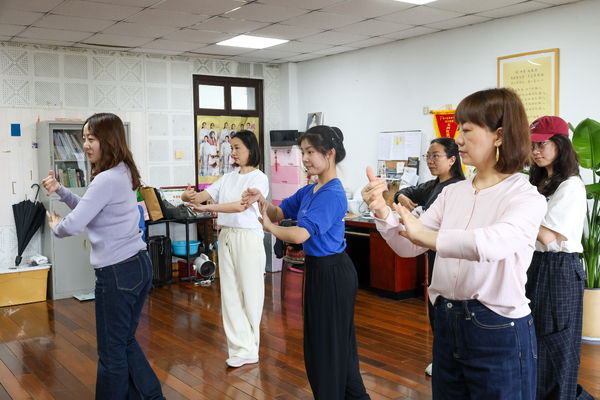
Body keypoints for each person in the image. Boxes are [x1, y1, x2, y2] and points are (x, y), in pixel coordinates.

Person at [362, 88, 547, 399]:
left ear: (499, 135)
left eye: (467, 130)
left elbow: (489, 244)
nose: (458, 139)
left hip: (498, 327)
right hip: (446, 320)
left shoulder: (525, 195)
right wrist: (382, 210)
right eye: (458, 129)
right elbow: (410, 245)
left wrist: (423, 235)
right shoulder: (452, 193)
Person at [42, 113, 165, 400]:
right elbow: (91, 207)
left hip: (117, 274)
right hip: (139, 265)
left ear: (108, 141)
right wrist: (61, 190)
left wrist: (56, 227)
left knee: (111, 353)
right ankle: (153, 396)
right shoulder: (123, 171)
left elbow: (75, 224)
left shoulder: (105, 179)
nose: (86, 145)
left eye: (92, 139)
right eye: (84, 138)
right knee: (125, 342)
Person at [243, 125, 371, 400]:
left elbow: (300, 234)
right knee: (334, 348)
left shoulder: (333, 193)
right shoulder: (311, 190)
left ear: (330, 153)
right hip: (319, 271)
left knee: (326, 351)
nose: (305, 159)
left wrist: (270, 229)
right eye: (303, 152)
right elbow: (278, 212)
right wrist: (261, 201)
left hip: (333, 274)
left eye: (310, 152)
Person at [182, 130, 268, 369]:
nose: (233, 152)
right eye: (232, 148)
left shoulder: (259, 178)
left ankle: (252, 348)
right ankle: (239, 348)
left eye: (237, 147)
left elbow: (241, 206)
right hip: (227, 236)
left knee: (250, 293)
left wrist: (209, 208)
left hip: (248, 238)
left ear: (251, 149)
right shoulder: (227, 178)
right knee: (230, 294)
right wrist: (188, 196)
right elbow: (199, 197)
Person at [526, 116, 592, 400]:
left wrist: (514, 214)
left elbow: (545, 236)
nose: (535, 151)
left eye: (542, 144)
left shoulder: (571, 186)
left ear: (561, 144)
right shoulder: (541, 181)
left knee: (555, 345)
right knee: (535, 341)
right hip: (536, 265)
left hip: (558, 269)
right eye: (533, 145)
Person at [393, 136, 465, 376]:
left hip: (450, 254)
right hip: (433, 252)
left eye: (436, 156)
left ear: (452, 159)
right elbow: (404, 192)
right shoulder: (433, 185)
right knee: (436, 305)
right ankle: (442, 358)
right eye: (428, 156)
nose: (430, 161)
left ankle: (449, 360)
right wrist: (401, 197)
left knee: (447, 308)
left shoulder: (457, 188)